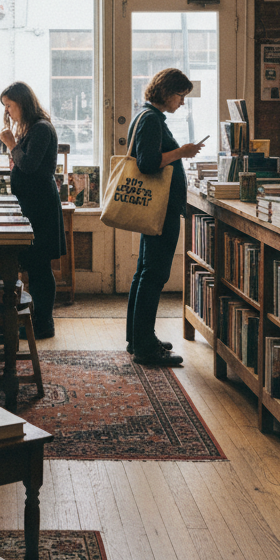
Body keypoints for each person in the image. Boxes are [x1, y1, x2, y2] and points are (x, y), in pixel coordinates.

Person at [125, 68, 206, 367]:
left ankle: (138, 339)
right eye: (180, 96)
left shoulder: (146, 116)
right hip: (161, 209)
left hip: (158, 208)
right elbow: (147, 163)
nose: (182, 103)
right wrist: (182, 152)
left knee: (145, 272)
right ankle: (145, 347)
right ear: (167, 92)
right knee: (154, 275)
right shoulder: (151, 119)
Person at [0, 81, 66, 339]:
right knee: (35, 266)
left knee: (39, 267)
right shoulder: (31, 129)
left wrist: (12, 143)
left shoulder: (41, 129)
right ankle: (37, 319)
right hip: (31, 204)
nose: (8, 112)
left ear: (22, 103)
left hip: (41, 206)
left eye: (9, 106)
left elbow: (29, 166)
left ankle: (44, 323)